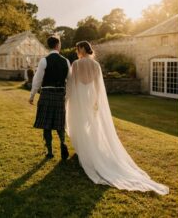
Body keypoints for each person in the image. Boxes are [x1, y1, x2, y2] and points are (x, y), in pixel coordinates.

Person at [65, 41, 169, 195]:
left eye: (77, 49)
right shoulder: (96, 65)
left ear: (81, 49)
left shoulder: (76, 64)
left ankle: (85, 151)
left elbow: (71, 84)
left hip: (79, 98)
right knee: (91, 124)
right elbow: (99, 87)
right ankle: (89, 148)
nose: (76, 51)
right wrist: (96, 101)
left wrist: (68, 99)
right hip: (90, 97)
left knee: (80, 124)